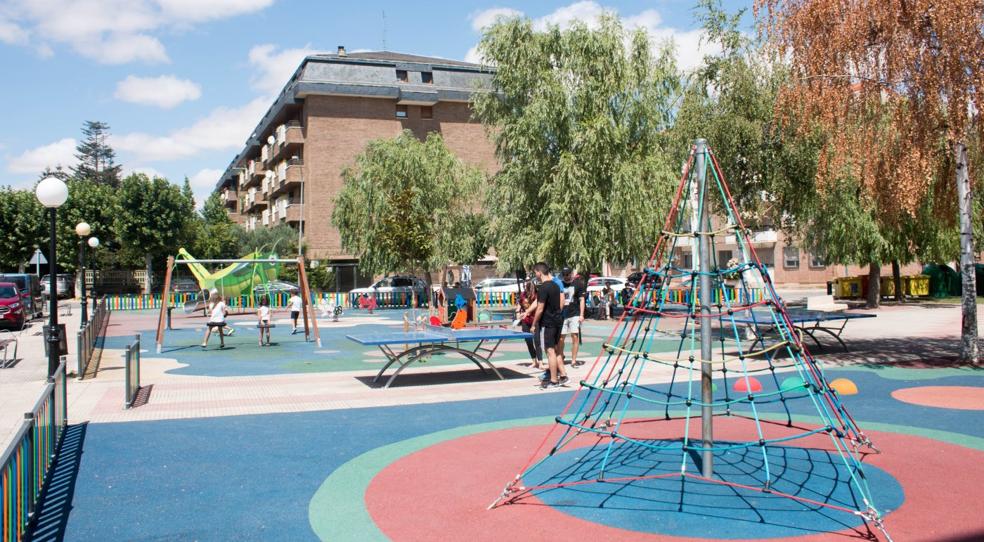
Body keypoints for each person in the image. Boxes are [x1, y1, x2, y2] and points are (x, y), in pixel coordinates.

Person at [531, 262, 566, 389]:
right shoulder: (556, 286)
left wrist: (534, 324)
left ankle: (553, 380)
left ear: (539, 272)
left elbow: (540, 308)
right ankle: (562, 375)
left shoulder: (543, 288)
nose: (535, 275)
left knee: (549, 351)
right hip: (558, 321)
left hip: (549, 323)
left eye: (535, 272)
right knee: (555, 350)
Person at [557, 268, 586, 367]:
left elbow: (582, 300)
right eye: (564, 274)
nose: (566, 276)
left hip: (575, 313)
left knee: (575, 337)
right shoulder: (559, 284)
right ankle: (561, 356)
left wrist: (582, 315)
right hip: (562, 314)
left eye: (568, 274)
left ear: (571, 274)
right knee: (561, 338)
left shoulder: (578, 284)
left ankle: (573, 360)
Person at [517, 280, 543, 369]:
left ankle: (541, 362)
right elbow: (520, 304)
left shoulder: (537, 295)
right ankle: (534, 361)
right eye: (526, 288)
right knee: (528, 341)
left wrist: (533, 324)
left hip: (535, 320)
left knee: (537, 341)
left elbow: (538, 307)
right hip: (525, 321)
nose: (526, 290)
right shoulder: (523, 295)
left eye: (528, 288)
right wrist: (517, 312)